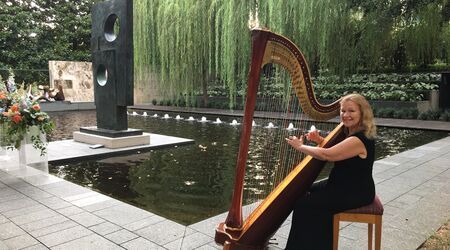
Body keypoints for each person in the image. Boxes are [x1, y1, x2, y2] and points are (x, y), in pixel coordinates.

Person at [284, 93, 377, 249]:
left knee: (303, 204)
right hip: (343, 185)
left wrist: (300, 147)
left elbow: (328, 155)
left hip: (355, 192)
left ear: (362, 112)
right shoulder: (354, 132)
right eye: (343, 111)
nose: (345, 115)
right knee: (302, 191)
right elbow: (341, 152)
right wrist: (320, 141)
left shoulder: (358, 139)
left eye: (351, 111)